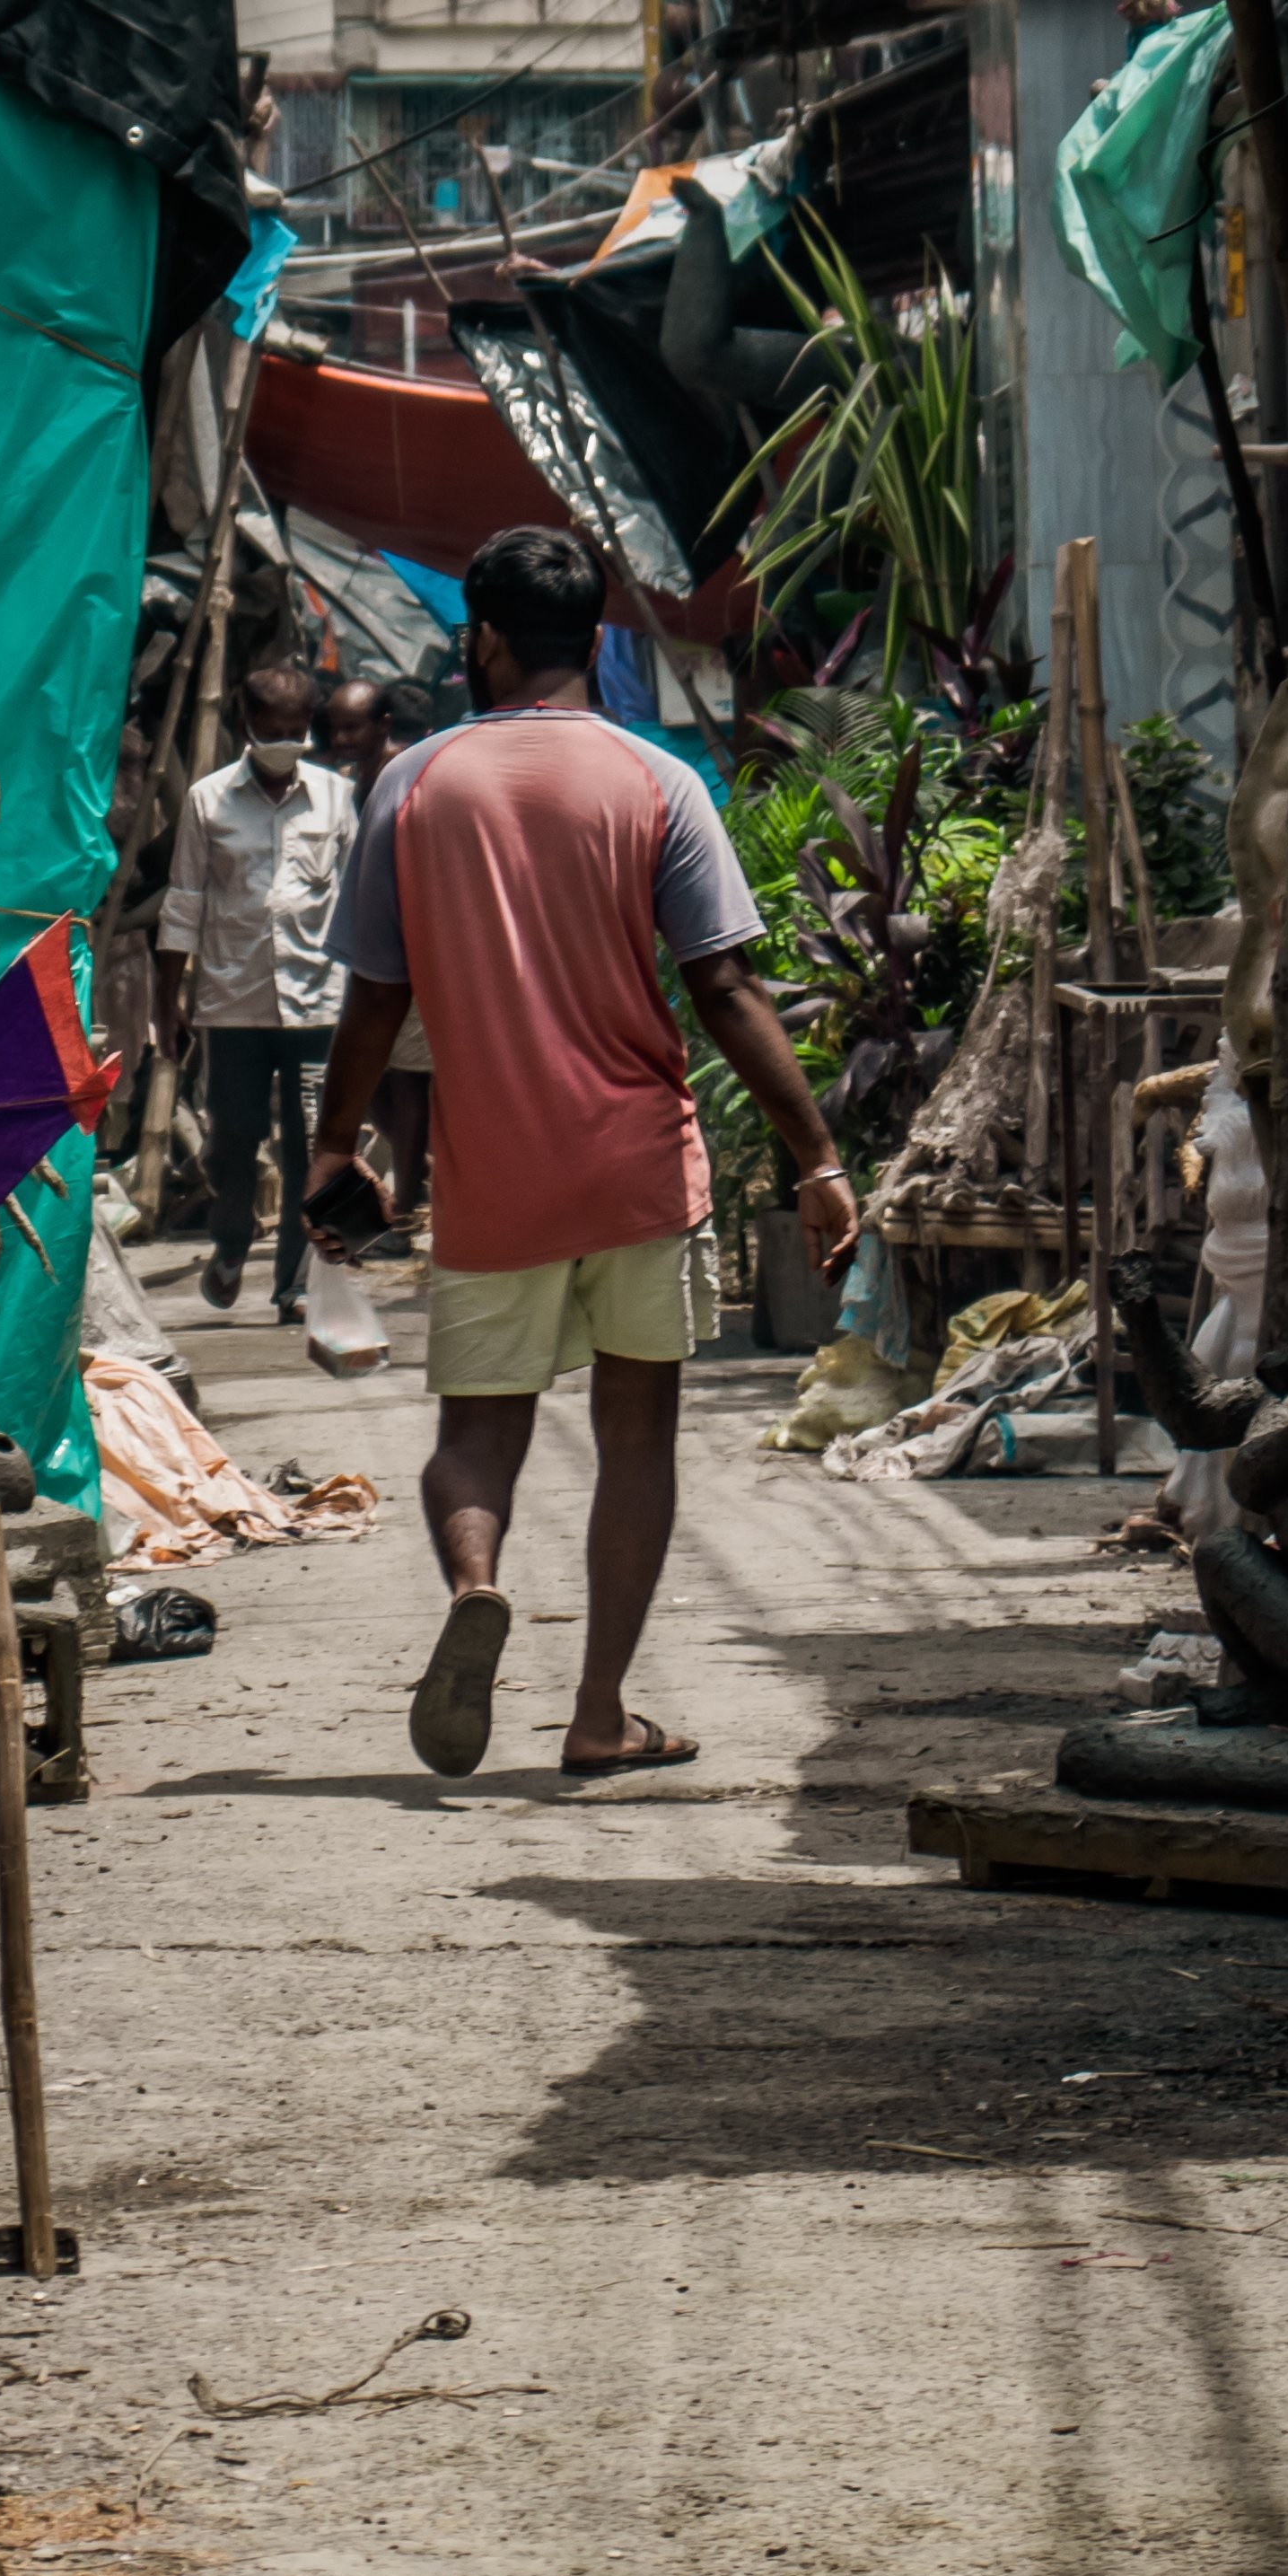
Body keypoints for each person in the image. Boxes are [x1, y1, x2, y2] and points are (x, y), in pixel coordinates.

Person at [310, 523, 857, 1780]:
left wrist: (336, 1146)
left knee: (478, 1430)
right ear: (597, 640)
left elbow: (374, 1001)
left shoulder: (412, 785)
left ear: (484, 641)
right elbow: (725, 989)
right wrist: (820, 1162)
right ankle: (602, 1712)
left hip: (492, 1170)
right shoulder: (658, 781)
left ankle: (476, 1585)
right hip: (636, 1164)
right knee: (637, 1436)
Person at [156, 659, 354, 1320]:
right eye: (274, 730)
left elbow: (355, 900)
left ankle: (294, 1283)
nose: (286, 742)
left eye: (297, 731)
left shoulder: (335, 797)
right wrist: (168, 1000)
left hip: (318, 1001)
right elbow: (184, 900)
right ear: (248, 727)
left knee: (309, 1146)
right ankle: (233, 1236)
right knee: (232, 1138)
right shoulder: (208, 800)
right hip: (231, 1000)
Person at [322, 671, 435, 1226]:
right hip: (372, 946)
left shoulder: (400, 774)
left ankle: (409, 1202)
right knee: (377, 1080)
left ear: (383, 726)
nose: (342, 740)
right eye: (335, 729)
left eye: (353, 728)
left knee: (409, 1076)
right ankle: (424, 1170)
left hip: (410, 946)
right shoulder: (355, 785)